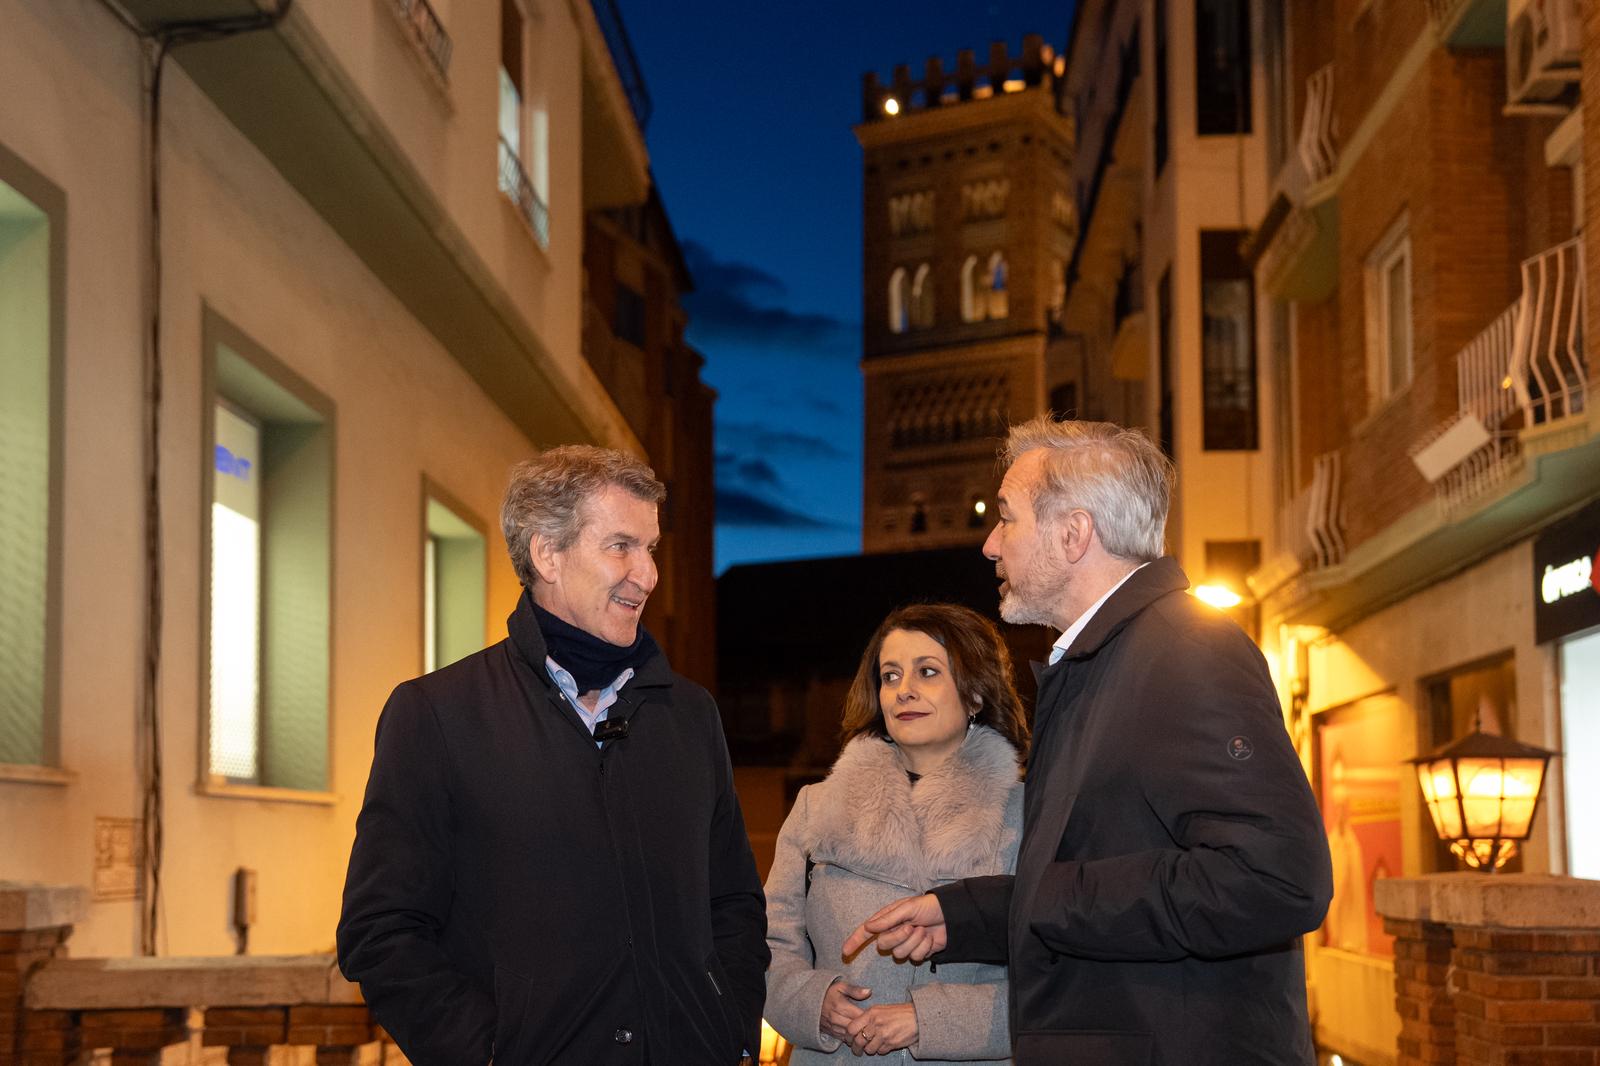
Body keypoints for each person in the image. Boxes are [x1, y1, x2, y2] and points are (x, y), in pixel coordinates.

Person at [844, 417, 1333, 1066]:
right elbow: (1106, 862)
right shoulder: (1101, 663)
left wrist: (1049, 899)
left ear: (1073, 534)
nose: (989, 544)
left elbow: (1276, 878)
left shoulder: (1187, 652)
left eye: (1007, 519)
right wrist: (968, 915)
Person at [337, 446, 768, 1065]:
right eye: (621, 546)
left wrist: (731, 1035)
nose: (647, 575)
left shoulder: (691, 715)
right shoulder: (436, 715)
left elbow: (733, 904)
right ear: (547, 554)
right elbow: (381, 931)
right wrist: (487, 1054)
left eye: (651, 548)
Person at [765, 603, 1027, 1065]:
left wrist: (929, 1019)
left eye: (927, 672)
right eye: (890, 676)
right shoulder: (816, 808)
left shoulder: (1027, 815)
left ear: (975, 696)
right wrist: (813, 1003)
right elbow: (768, 944)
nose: (904, 690)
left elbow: (1059, 975)